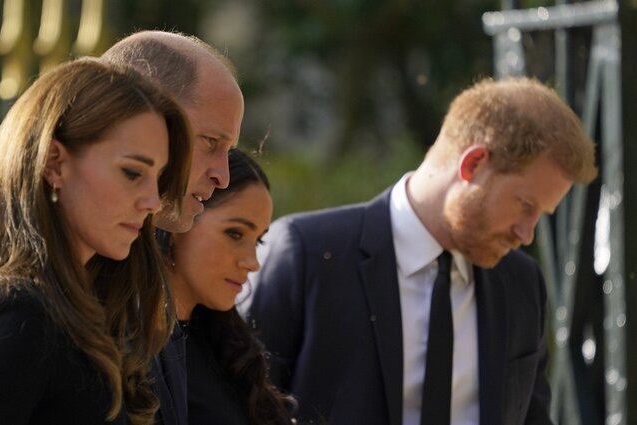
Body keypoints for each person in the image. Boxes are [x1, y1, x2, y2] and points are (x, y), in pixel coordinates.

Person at [247, 77, 598, 425]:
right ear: (473, 164)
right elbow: (231, 403)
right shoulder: (308, 252)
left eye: (540, 215)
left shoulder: (521, 282)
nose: (526, 233)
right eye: (524, 204)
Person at [0, 57, 192, 425]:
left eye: (157, 178)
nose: (153, 201)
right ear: (54, 163)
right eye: (132, 172)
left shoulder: (85, 306)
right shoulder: (21, 310)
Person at [101, 30, 245, 425]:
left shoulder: (146, 286)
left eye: (228, 151)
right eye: (211, 142)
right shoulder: (38, 298)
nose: (223, 177)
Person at [165, 149, 295, 425]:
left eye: (258, 241)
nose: (252, 263)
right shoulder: (131, 348)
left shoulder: (231, 348)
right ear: (180, 219)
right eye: (235, 233)